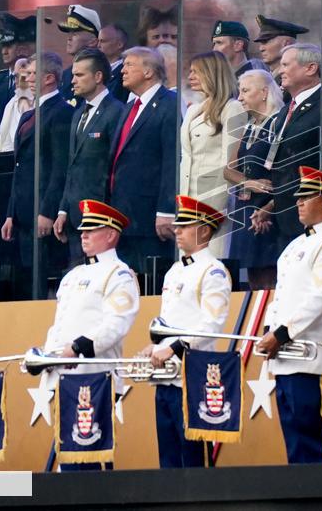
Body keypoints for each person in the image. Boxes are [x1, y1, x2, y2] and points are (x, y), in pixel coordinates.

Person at [257, 166, 322, 464]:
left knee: (317, 445)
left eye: (307, 197)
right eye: (298, 197)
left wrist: (282, 333)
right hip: (287, 358)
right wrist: (270, 329)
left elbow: (319, 298)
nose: (298, 202)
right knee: (297, 446)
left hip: (314, 358)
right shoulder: (296, 245)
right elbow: (283, 296)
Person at [42, 199, 139, 472]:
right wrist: (46, 356)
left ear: (111, 235)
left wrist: (77, 348)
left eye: (92, 229)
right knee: (69, 461)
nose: (83, 234)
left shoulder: (120, 274)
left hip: (95, 376)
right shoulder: (73, 275)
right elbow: (59, 324)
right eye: (83, 228)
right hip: (64, 375)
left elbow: (117, 323)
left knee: (90, 458)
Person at [139, 195, 231, 468]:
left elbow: (212, 323)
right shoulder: (174, 271)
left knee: (193, 457)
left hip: (191, 372)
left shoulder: (213, 271)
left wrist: (174, 347)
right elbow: (167, 322)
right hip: (165, 371)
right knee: (168, 456)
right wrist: (155, 347)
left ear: (203, 230)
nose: (176, 230)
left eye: (185, 226)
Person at [252, 44, 322, 251]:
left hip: (312, 215)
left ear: (310, 68)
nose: (280, 70)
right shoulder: (286, 111)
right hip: (286, 216)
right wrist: (272, 205)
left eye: (285, 65)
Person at [1, 52, 73, 299]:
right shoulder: (28, 114)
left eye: (33, 73)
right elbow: (19, 166)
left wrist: (47, 210)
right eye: (27, 72)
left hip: (41, 209)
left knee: (42, 277)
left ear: (50, 78)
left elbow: (59, 166)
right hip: (22, 211)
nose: (27, 77)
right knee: (24, 277)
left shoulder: (61, 111)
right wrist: (10, 212)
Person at [108, 46, 179, 275]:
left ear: (148, 72)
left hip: (150, 216)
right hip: (123, 214)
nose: (122, 71)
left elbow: (171, 159)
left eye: (129, 65)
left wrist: (166, 210)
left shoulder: (169, 104)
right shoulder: (130, 107)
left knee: (152, 281)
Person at [54, 48, 126, 263]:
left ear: (98, 76)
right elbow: (72, 165)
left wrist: (109, 212)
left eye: (79, 75)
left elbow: (115, 167)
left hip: (102, 216)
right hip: (76, 216)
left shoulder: (116, 112)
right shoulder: (78, 113)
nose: (72, 81)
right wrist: (63, 210)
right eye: (73, 74)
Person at [179, 51, 247, 257]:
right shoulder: (193, 110)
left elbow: (230, 162)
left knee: (212, 258)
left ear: (212, 74)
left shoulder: (232, 108)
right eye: (190, 72)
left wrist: (217, 208)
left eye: (196, 72)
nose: (190, 77)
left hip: (214, 201)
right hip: (189, 199)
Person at [227, 69, 282, 290]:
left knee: (269, 273)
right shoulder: (248, 126)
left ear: (264, 93)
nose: (239, 97)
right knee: (252, 273)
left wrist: (270, 206)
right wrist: (247, 182)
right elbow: (229, 170)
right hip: (246, 204)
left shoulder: (278, 123)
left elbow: (284, 171)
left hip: (269, 207)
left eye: (245, 91)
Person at [0, 14, 37, 149]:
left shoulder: (34, 82)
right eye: (3, 45)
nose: (4, 51)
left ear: (23, 47)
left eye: (9, 45)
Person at [56, 5, 101, 101]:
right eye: (69, 33)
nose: (69, 38)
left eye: (75, 33)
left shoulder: (101, 71)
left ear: (93, 41)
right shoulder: (66, 74)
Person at [0, 57, 35, 153]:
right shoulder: (11, 104)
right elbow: (4, 141)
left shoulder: (40, 102)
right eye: (16, 77)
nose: (18, 81)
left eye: (24, 76)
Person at [98, 23, 130, 102]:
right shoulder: (97, 70)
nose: (98, 45)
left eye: (103, 41)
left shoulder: (126, 73)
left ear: (119, 44)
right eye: (98, 41)